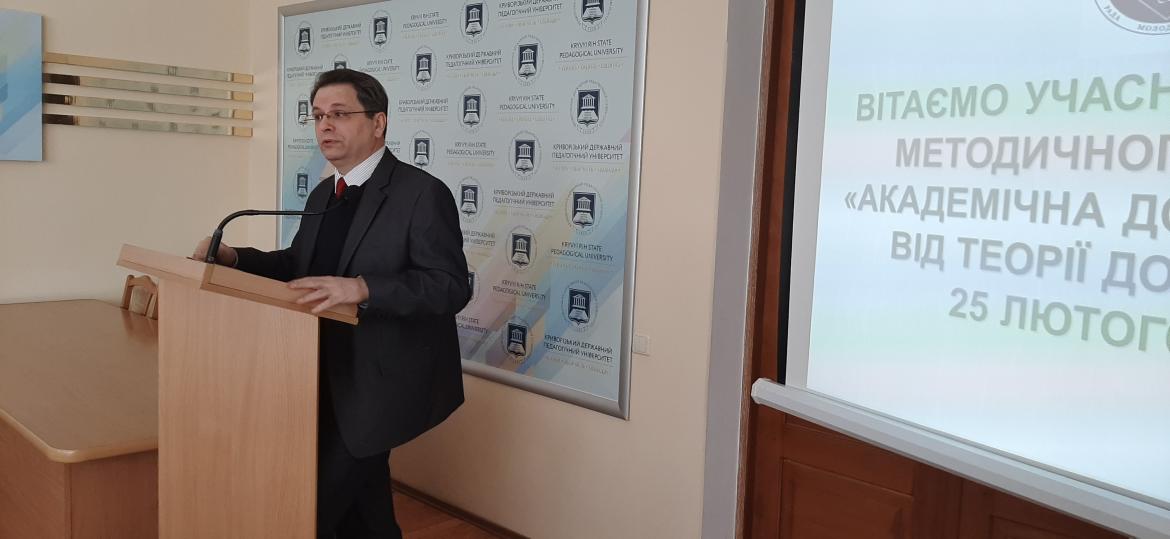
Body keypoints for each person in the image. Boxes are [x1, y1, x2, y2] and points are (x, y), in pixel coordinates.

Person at [194, 68, 470, 538]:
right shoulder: (326, 191)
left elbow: (450, 286)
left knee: (308, 513)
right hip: (317, 370)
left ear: (378, 123)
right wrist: (235, 257)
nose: (325, 125)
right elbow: (300, 265)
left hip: (379, 383)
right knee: (365, 514)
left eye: (339, 114)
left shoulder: (422, 193)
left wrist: (364, 288)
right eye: (318, 115)